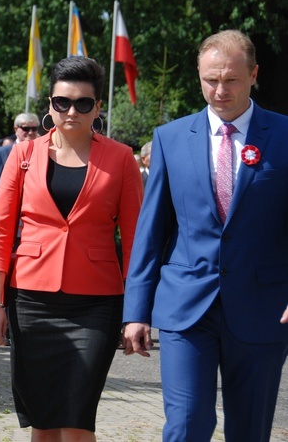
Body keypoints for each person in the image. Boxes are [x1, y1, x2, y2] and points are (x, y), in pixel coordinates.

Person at [123, 29, 288, 441]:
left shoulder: (285, 137)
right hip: (186, 306)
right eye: (210, 79)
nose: (219, 90)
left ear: (254, 75)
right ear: (198, 73)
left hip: (262, 309)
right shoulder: (170, 138)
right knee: (186, 426)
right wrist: (136, 310)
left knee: (250, 431)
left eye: (231, 79)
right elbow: (152, 230)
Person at [0, 56, 143, 441]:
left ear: (98, 107)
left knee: (76, 417)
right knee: (44, 419)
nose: (72, 111)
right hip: (31, 303)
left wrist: (137, 311)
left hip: (97, 303)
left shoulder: (121, 158)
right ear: (50, 104)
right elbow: (0, 230)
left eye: (83, 103)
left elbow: (137, 239)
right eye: (62, 102)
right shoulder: (22, 156)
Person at [0, 113, 40, 215]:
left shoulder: (43, 152)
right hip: (11, 215)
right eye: (26, 128)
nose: (30, 132)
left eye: (34, 128)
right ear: (16, 129)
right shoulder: (1, 154)